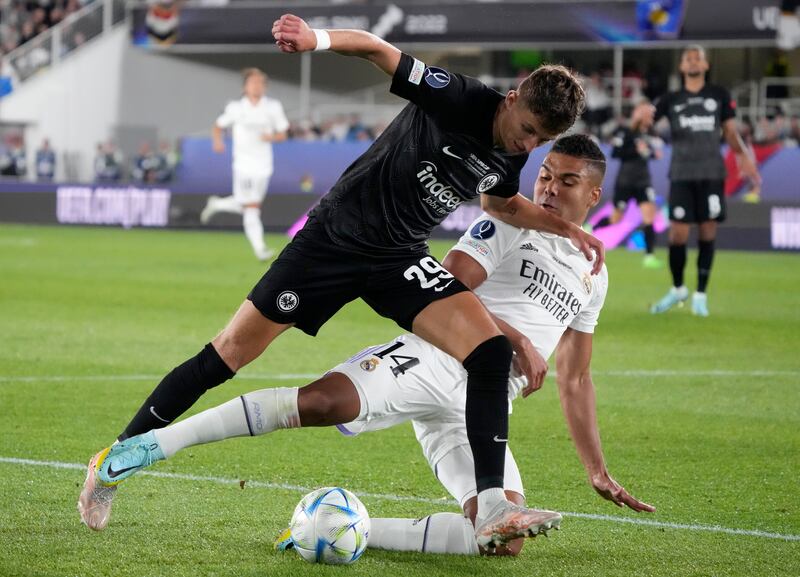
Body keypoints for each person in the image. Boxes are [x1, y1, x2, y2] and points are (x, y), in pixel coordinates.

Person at [78, 14, 604, 548]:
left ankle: (492, 505)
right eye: (528, 130)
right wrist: (316, 40)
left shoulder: (509, 157)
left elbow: (500, 202)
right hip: (333, 242)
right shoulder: (460, 96)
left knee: (490, 351)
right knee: (227, 355)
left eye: (541, 139)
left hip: (398, 257)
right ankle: (117, 457)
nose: (527, 144)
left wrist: (567, 229)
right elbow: (379, 49)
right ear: (512, 98)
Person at [650, 45, 761, 317]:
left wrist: (744, 158)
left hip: (712, 173)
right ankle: (678, 289)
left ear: (706, 65)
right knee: (678, 233)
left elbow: (731, 132)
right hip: (681, 173)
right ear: (682, 67)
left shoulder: (719, 95)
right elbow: (648, 122)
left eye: (698, 57)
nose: (693, 62)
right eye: (688, 58)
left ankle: (700, 294)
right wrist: (640, 120)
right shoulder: (671, 99)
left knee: (708, 231)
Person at [200, 67, 289, 261]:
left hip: (264, 165)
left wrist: (271, 136)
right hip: (243, 164)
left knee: (246, 204)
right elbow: (218, 126)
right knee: (251, 207)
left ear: (265, 86)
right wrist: (217, 142)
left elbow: (283, 134)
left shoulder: (272, 107)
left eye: (260, 83)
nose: (257, 86)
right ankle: (260, 250)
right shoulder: (236, 108)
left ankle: (217, 204)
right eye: (253, 82)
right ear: (245, 87)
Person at [600, 101, 664, 268]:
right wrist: (637, 150)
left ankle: (649, 256)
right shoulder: (625, 131)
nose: (652, 117)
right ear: (640, 114)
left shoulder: (650, 133)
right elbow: (616, 153)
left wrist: (652, 154)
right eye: (649, 114)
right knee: (615, 219)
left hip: (643, 181)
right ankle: (590, 229)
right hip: (625, 181)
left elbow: (647, 153)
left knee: (650, 217)